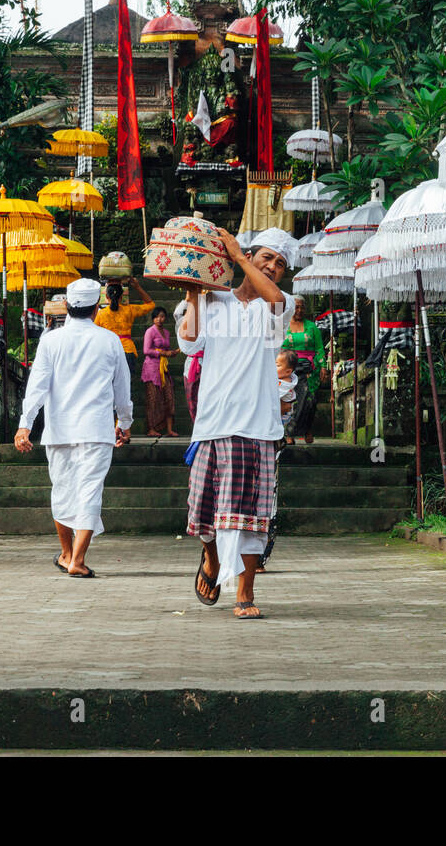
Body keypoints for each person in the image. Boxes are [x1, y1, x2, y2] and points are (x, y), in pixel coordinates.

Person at [179, 226, 297, 620]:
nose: (274, 266)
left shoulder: (280, 304)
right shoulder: (215, 300)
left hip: (259, 426)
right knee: (203, 510)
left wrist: (241, 257)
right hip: (213, 423)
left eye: (280, 263)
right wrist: (195, 290)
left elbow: (276, 298)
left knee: (251, 516)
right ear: (252, 255)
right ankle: (211, 560)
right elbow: (190, 343)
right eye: (267, 257)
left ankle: (244, 591)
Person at [16, 277, 133, 578]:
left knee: (63, 492)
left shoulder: (50, 340)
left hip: (59, 431)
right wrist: (126, 422)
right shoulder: (109, 341)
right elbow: (122, 390)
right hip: (96, 430)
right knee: (89, 491)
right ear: (98, 307)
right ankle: (76, 559)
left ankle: (68, 553)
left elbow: (36, 387)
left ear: (66, 306)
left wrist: (24, 426)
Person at [281, 295, 327, 444]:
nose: (299, 310)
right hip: (289, 369)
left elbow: (319, 348)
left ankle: (307, 429)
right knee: (292, 400)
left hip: (309, 369)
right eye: (296, 307)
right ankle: (289, 433)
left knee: (310, 401)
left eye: (302, 307)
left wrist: (323, 367)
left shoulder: (312, 327)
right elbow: (275, 347)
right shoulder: (282, 325)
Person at [94, 275, 154, 376]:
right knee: (126, 386)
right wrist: (137, 286)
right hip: (128, 351)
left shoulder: (100, 314)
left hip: (108, 352)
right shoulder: (129, 310)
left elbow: (93, 334)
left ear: (107, 297)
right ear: (122, 297)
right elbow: (150, 304)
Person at [141, 307, 178, 437]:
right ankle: (151, 428)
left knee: (169, 397)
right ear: (153, 319)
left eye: (162, 316)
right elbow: (146, 350)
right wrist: (162, 352)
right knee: (153, 399)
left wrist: (171, 353)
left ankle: (169, 429)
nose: (159, 319)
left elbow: (167, 350)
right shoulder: (150, 332)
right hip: (151, 368)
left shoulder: (167, 332)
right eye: (157, 317)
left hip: (163, 368)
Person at [175, 298, 202, 423]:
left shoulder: (210, 323)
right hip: (191, 366)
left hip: (209, 365)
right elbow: (177, 313)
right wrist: (190, 300)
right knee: (192, 399)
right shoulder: (183, 323)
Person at [277, 350, 299, 420]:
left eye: (277, 365)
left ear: (288, 371)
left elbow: (274, 396)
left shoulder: (285, 384)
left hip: (283, 416)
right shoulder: (285, 378)